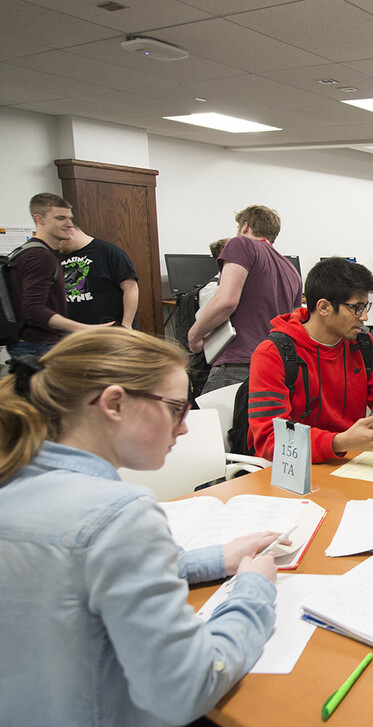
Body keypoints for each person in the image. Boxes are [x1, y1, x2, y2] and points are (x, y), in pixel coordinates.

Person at [0, 328, 280, 726]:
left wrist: (216, 558)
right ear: (114, 403)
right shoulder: (118, 514)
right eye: (176, 409)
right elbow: (190, 686)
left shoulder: (15, 474)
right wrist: (255, 590)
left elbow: (81, 574)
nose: (184, 428)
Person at [247, 257, 373, 463]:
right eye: (357, 307)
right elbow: (270, 439)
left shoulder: (363, 345)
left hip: (348, 460)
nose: (365, 317)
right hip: (294, 468)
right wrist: (339, 442)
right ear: (323, 307)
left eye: (366, 306)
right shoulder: (273, 354)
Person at [188, 205, 303, 395]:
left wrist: (194, 336)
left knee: (212, 423)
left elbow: (226, 301)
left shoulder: (240, 244)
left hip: (237, 365)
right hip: (273, 366)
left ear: (245, 226)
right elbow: (293, 320)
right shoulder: (291, 269)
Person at [8, 193, 106, 358]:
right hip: (37, 346)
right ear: (39, 219)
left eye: (70, 218)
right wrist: (83, 328)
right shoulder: (40, 257)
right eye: (61, 218)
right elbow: (33, 309)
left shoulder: (26, 251)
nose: (69, 224)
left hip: (31, 344)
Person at [59, 224, 139, 328]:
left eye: (58, 240)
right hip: (75, 333)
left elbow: (131, 289)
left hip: (112, 331)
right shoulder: (57, 255)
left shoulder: (110, 252)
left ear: (69, 231)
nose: (56, 245)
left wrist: (127, 325)